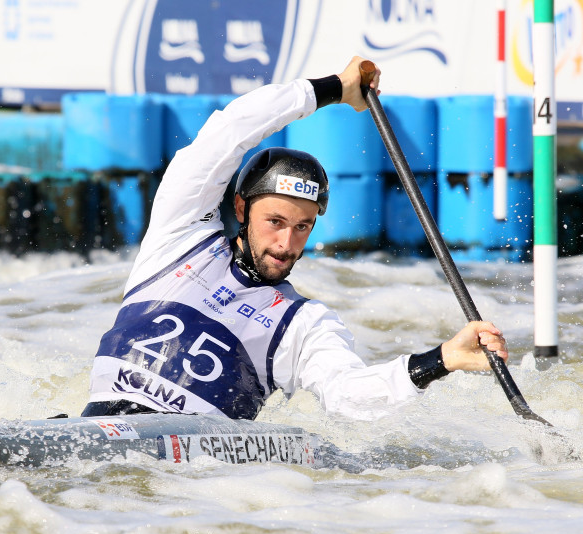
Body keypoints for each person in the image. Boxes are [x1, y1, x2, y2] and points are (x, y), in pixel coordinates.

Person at [81, 56, 508, 421]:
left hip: (183, 477)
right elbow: (230, 131)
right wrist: (335, 89)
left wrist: (442, 360)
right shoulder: (177, 238)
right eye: (275, 222)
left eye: (302, 226)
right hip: (89, 430)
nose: (286, 244)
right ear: (242, 210)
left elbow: (348, 395)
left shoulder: (304, 324)